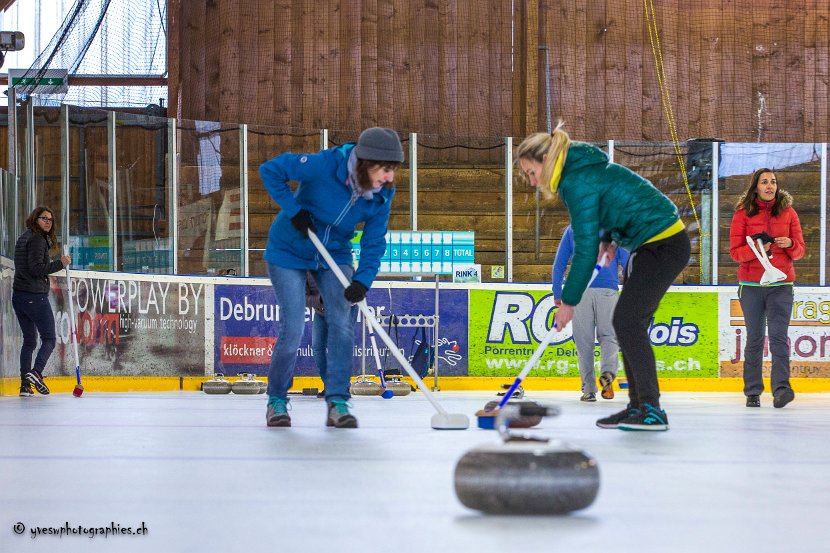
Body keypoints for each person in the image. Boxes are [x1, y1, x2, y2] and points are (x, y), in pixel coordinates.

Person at [516, 122, 690, 431]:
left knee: (627, 321)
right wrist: (609, 240)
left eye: (531, 172)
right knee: (626, 322)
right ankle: (638, 406)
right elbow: (614, 204)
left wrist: (569, 301)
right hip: (650, 243)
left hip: (662, 243)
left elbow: (584, 250)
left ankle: (652, 410)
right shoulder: (580, 171)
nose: (532, 181)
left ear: (546, 160)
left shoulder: (575, 180)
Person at [260, 127, 403, 428]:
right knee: (293, 327)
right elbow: (271, 170)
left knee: (341, 323)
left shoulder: (382, 194)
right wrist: (294, 211)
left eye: (393, 170)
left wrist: (362, 280)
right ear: (365, 163)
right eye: (385, 169)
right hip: (289, 250)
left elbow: (374, 241)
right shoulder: (325, 164)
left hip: (334, 255)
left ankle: (337, 400)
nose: (390, 177)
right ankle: (277, 399)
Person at [729, 168, 804, 409]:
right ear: (756, 187)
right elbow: (735, 253)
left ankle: (782, 389)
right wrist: (758, 248)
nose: (770, 186)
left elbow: (800, 251)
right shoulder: (742, 214)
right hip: (751, 286)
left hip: (781, 285)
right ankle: (752, 391)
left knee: (779, 338)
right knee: (754, 338)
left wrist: (790, 243)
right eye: (764, 182)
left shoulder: (789, 212)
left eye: (773, 181)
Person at [552, 224, 629, 402]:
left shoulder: (574, 229)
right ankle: (608, 373)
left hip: (580, 291)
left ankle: (589, 390)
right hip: (608, 291)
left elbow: (560, 263)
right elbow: (626, 262)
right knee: (609, 336)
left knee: (584, 341)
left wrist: (557, 293)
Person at [13, 206, 71, 396]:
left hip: (19, 296)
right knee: (49, 338)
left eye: (50, 219)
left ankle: (25, 385)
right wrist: (60, 264)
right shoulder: (37, 239)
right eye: (43, 218)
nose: (48, 222)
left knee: (29, 340)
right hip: (34, 296)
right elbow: (36, 268)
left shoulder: (24, 237)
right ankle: (36, 372)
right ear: (35, 219)